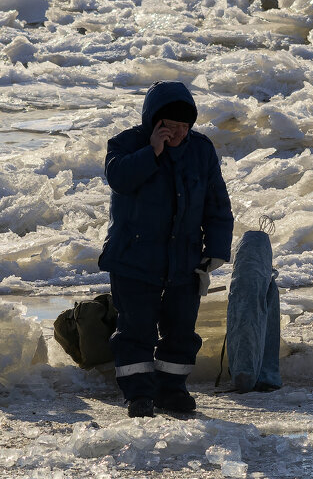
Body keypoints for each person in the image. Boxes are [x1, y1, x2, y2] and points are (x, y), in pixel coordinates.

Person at [99, 81, 233, 418]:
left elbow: (217, 206)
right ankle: (139, 394)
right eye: (168, 126)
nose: (176, 132)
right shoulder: (126, 144)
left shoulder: (201, 151)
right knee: (136, 329)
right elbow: (118, 178)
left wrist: (214, 252)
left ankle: (172, 390)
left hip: (184, 261)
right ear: (153, 122)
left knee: (181, 329)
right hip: (134, 259)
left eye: (183, 126)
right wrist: (152, 152)